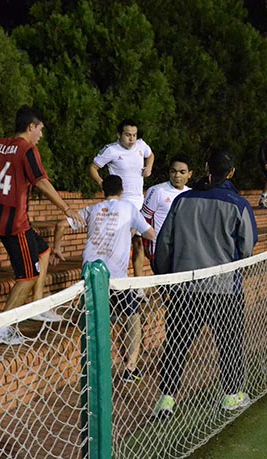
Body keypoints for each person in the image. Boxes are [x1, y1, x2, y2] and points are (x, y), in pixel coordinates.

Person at [151, 150, 258, 419]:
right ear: (231, 173)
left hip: (184, 289)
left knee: (176, 343)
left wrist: (164, 278)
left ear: (206, 168)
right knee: (229, 343)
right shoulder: (238, 204)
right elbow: (246, 249)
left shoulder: (182, 201)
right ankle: (231, 395)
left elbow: (163, 244)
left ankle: (167, 398)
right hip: (224, 290)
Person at [0, 106, 85, 345]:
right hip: (16, 225)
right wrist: (66, 208)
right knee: (28, 276)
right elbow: (41, 181)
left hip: (1, 218)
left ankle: (37, 304)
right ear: (31, 127)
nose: (41, 135)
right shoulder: (27, 149)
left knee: (42, 250)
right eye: (40, 129)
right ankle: (1, 327)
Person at [51, 175, 155, 382]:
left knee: (95, 321)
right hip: (116, 278)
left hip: (90, 273)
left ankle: (93, 370)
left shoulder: (92, 210)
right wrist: (134, 230)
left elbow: (61, 225)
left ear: (103, 191)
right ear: (122, 190)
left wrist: (57, 248)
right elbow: (151, 234)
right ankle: (130, 368)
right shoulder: (129, 209)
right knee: (133, 318)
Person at [89, 119, 154, 277]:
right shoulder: (111, 150)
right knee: (123, 241)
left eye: (134, 135)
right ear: (119, 135)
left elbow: (150, 155)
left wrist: (149, 167)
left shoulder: (141, 145)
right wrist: (102, 183)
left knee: (138, 243)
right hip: (122, 202)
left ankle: (138, 286)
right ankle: (116, 278)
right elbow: (93, 167)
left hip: (140, 200)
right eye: (127, 135)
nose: (131, 139)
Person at [141, 155, 193, 263]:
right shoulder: (157, 191)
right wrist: (150, 248)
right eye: (173, 171)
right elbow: (143, 221)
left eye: (182, 172)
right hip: (160, 252)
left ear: (189, 174)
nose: (177, 175)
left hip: (183, 252)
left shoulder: (192, 194)